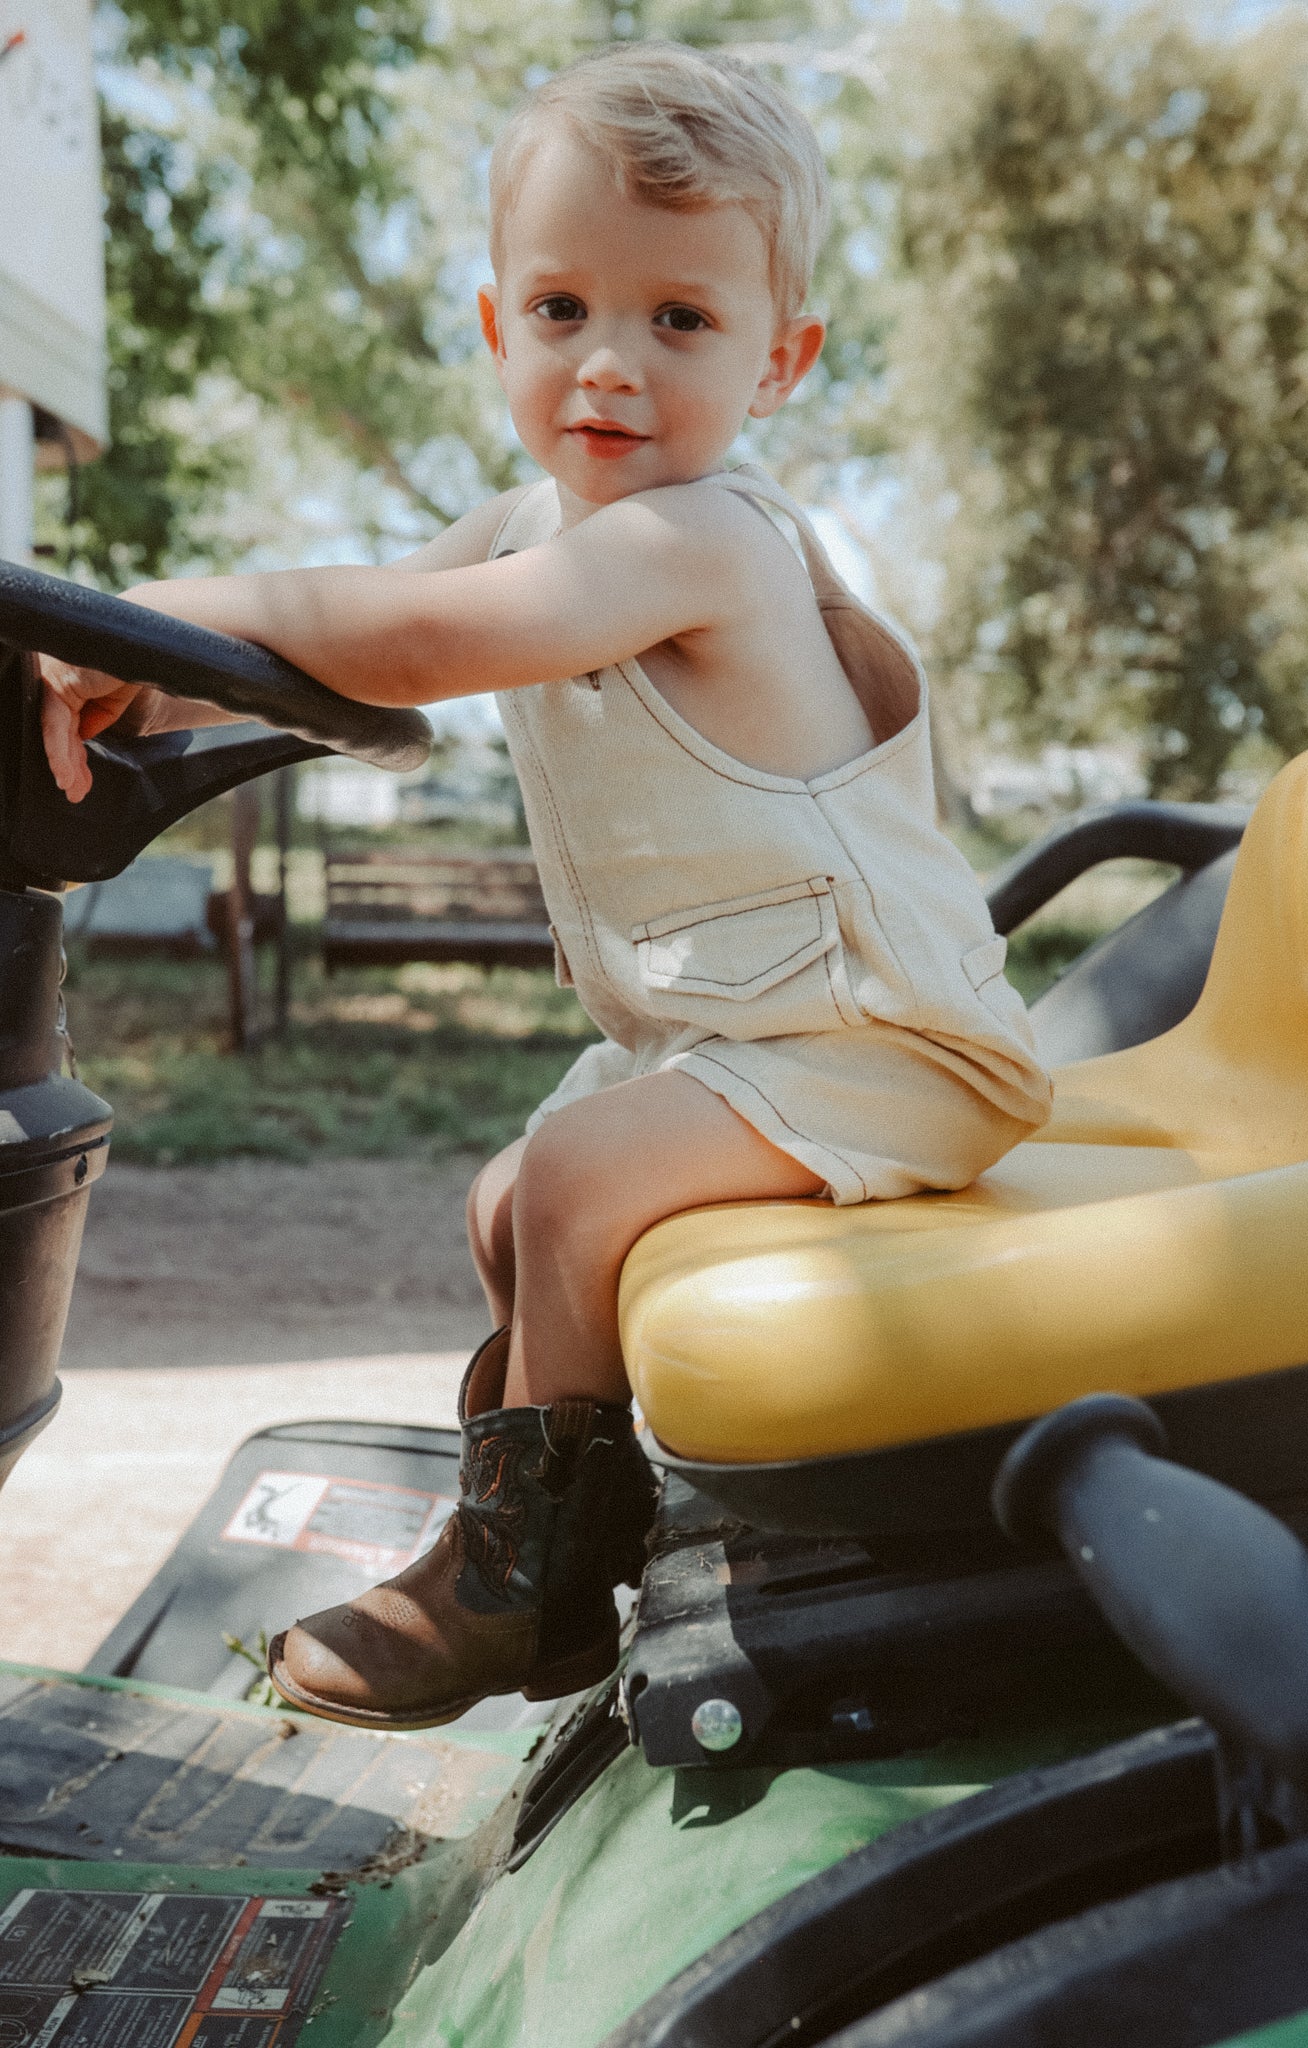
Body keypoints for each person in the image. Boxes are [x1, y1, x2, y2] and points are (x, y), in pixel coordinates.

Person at [40, 42, 1052, 1730]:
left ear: (777, 361)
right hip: (743, 1040)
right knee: (512, 1198)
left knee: (579, 1173)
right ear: (500, 327)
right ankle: (589, 1551)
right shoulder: (530, 524)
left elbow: (422, 641)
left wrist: (143, 593)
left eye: (680, 320)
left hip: (884, 1038)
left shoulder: (702, 543)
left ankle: (504, 1586)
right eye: (567, 307)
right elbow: (342, 647)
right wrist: (143, 670)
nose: (612, 365)